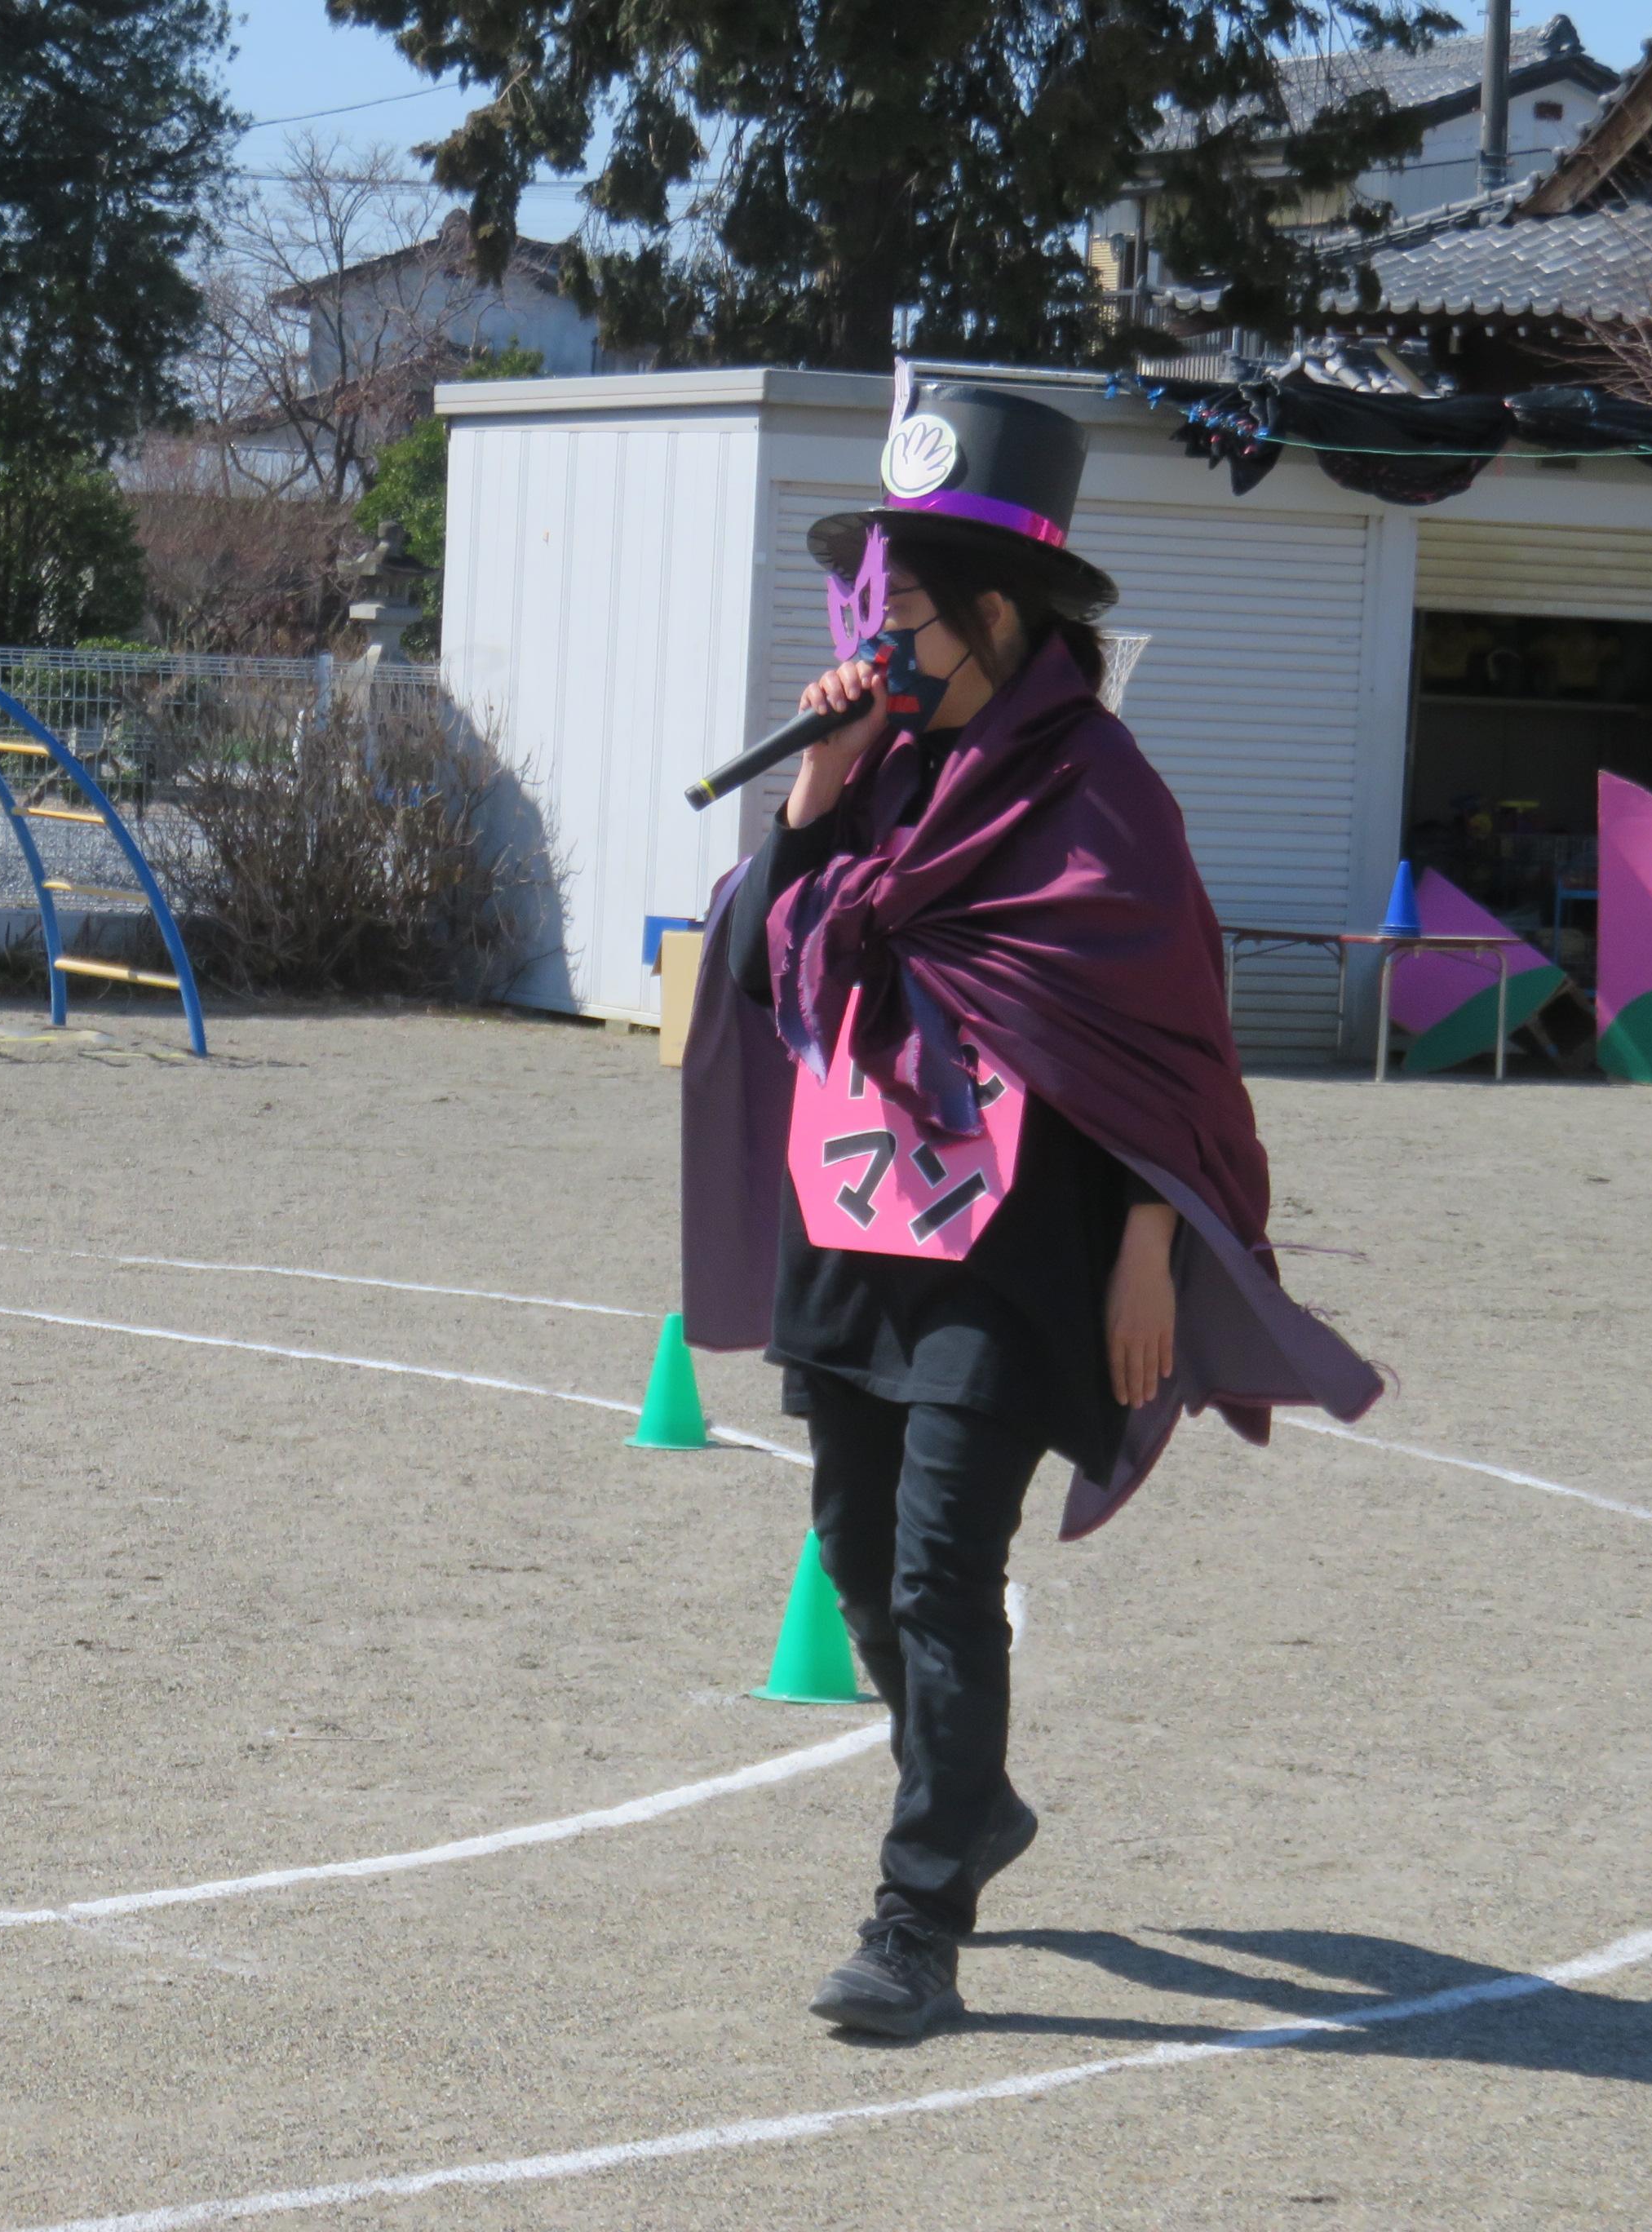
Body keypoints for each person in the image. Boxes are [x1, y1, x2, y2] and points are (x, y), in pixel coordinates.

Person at [680, 382, 1381, 2042]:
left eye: (903, 610)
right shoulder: (878, 773)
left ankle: (915, 1923)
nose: (878, 635)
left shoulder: (1104, 794)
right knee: (853, 1547)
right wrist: (813, 792)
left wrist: (1149, 1244)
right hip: (859, 1221)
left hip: (1016, 1248)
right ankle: (975, 1802)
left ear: (998, 614)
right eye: (869, 608)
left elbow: (1169, 1050)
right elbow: (765, 957)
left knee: (939, 1567)